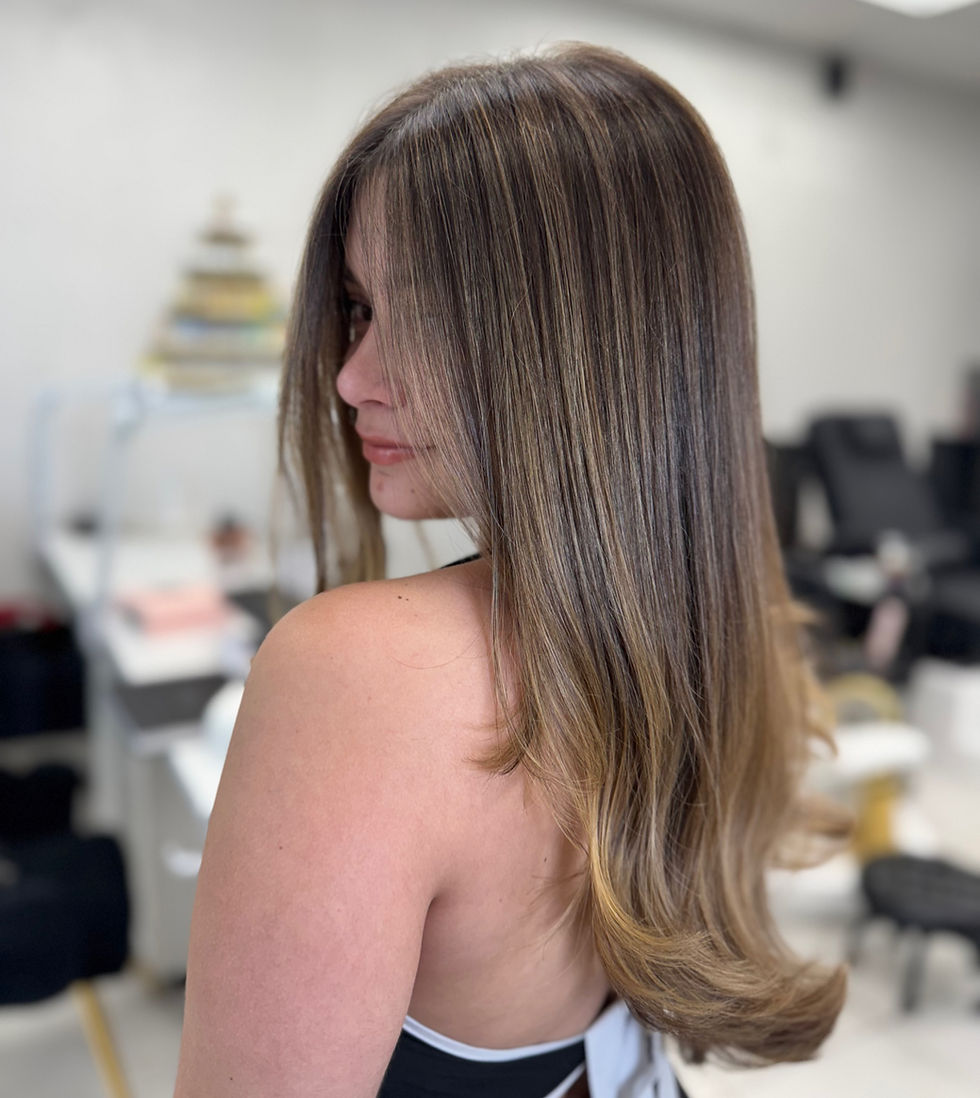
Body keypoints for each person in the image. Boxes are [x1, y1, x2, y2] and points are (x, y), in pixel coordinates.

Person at [174, 43, 847, 1098]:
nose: (351, 377)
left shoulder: (352, 673)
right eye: (357, 308)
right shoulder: (716, 635)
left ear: (589, 343)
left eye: (430, 311)